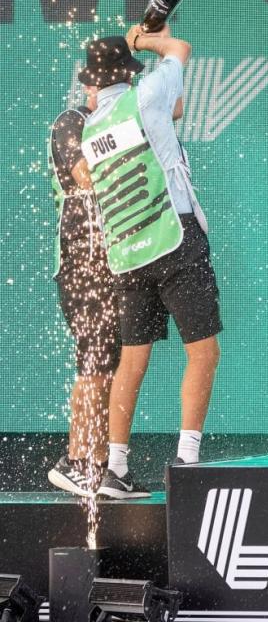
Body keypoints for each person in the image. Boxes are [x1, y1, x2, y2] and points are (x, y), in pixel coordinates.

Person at [77, 31, 222, 499]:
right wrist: (146, 37)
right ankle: (188, 459)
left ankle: (114, 467)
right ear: (129, 70)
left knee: (132, 362)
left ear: (93, 84)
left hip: (128, 256)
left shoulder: (92, 128)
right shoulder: (147, 95)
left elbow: (169, 112)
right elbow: (182, 49)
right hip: (174, 238)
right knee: (203, 351)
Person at [46, 86, 121, 497]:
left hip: (114, 264)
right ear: (93, 88)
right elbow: (86, 175)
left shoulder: (118, 124)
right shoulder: (71, 121)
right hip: (80, 264)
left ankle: (99, 463)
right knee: (94, 364)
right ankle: (76, 460)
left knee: (108, 365)